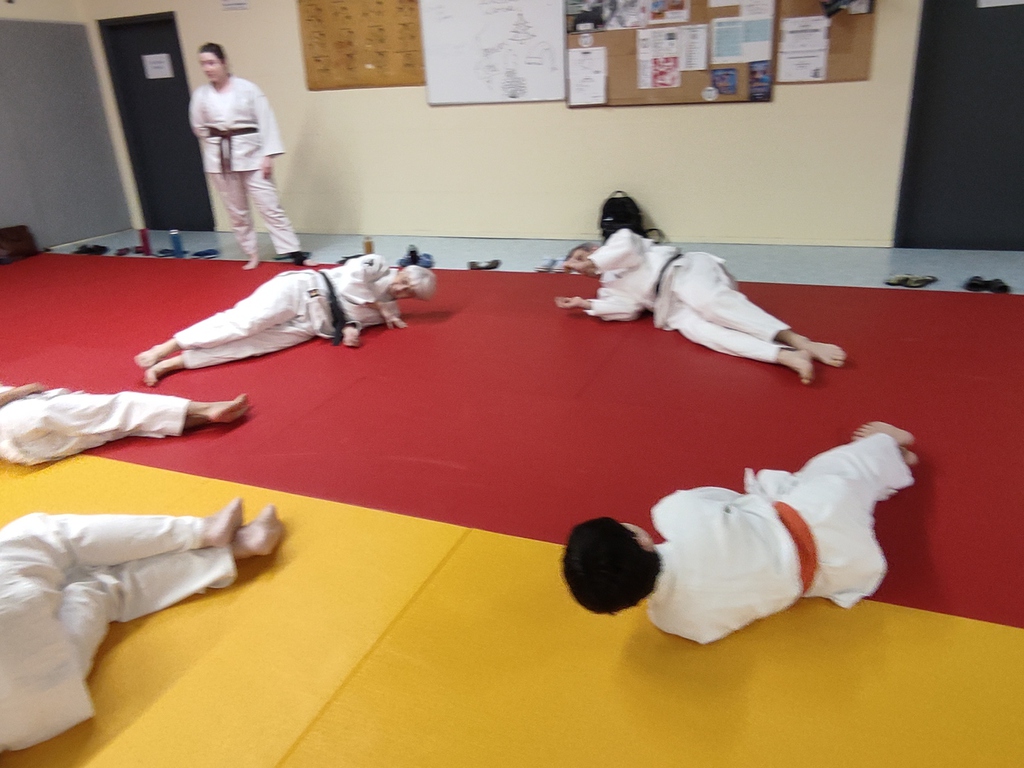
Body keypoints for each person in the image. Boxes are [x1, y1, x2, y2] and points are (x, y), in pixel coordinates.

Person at [561, 422, 917, 644]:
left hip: (840, 573)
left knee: (823, 485)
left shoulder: (675, 623)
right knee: (835, 469)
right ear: (640, 539)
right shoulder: (676, 512)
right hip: (819, 515)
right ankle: (889, 444)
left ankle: (889, 466)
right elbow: (726, 499)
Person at [0, 499, 283, 751]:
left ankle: (235, 551)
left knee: (103, 590)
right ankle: (202, 531)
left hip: (44, 707)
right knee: (46, 538)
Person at [555, 229, 847, 384]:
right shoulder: (607, 285)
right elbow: (628, 309)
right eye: (576, 265)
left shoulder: (620, 240)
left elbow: (628, 251)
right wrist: (586, 303)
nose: (581, 266)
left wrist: (592, 263)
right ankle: (786, 356)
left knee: (711, 305)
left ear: (595, 250)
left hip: (684, 271)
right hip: (669, 307)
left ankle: (801, 341)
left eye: (581, 257)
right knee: (704, 334)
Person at [134, 255, 437, 385]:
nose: (401, 290)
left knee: (253, 346)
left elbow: (354, 317)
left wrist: (352, 330)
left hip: (312, 326)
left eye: (410, 293)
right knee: (246, 322)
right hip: (304, 289)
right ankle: (169, 346)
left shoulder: (392, 313)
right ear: (401, 272)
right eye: (404, 282)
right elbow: (349, 281)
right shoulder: (378, 264)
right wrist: (379, 304)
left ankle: (173, 364)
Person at [190, 43, 306, 270]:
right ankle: (251, 253)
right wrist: (217, 139)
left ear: (224, 62)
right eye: (203, 64)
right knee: (237, 211)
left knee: (270, 206)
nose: (207, 68)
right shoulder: (201, 95)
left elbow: (266, 121)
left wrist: (268, 155)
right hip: (220, 158)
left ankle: (295, 252)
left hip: (253, 155)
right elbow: (198, 126)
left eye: (212, 63)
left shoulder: (248, 89)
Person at [0, 383, 248, 465]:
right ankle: (206, 409)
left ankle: (207, 416)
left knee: (120, 424)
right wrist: (21, 391)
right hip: (20, 417)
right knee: (119, 408)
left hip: (25, 449)